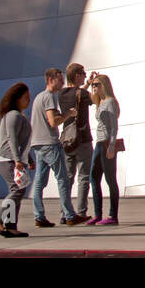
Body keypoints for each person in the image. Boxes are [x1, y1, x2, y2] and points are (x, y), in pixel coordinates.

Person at [30, 67, 80, 227]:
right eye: (60, 79)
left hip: (38, 144)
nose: (63, 82)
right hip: (50, 144)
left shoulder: (38, 97)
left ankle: (39, 216)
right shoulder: (49, 97)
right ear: (51, 79)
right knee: (63, 179)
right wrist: (68, 115)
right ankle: (70, 215)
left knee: (39, 182)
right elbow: (53, 122)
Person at [0, 82, 33, 238]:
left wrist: (29, 158)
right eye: (26, 97)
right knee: (17, 190)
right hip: (5, 158)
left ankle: (10, 227)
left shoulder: (19, 115)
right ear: (17, 99)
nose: (29, 100)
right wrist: (17, 160)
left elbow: (23, 142)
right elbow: (12, 139)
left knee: (18, 191)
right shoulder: (13, 115)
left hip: (12, 158)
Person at [58, 63, 93, 224]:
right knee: (84, 177)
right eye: (83, 74)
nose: (85, 76)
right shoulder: (83, 94)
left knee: (67, 178)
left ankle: (65, 213)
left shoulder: (62, 94)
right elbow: (90, 98)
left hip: (67, 140)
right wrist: (94, 86)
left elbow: (77, 95)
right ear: (77, 75)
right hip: (83, 139)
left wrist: (87, 85)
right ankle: (80, 211)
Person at [85, 72, 121, 226]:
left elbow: (114, 126)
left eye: (97, 84)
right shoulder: (100, 101)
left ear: (104, 85)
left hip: (106, 142)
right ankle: (97, 214)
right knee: (94, 177)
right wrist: (88, 82)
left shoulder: (110, 102)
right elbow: (85, 97)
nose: (94, 87)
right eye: (93, 84)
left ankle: (113, 215)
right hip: (99, 143)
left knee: (110, 179)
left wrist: (112, 146)